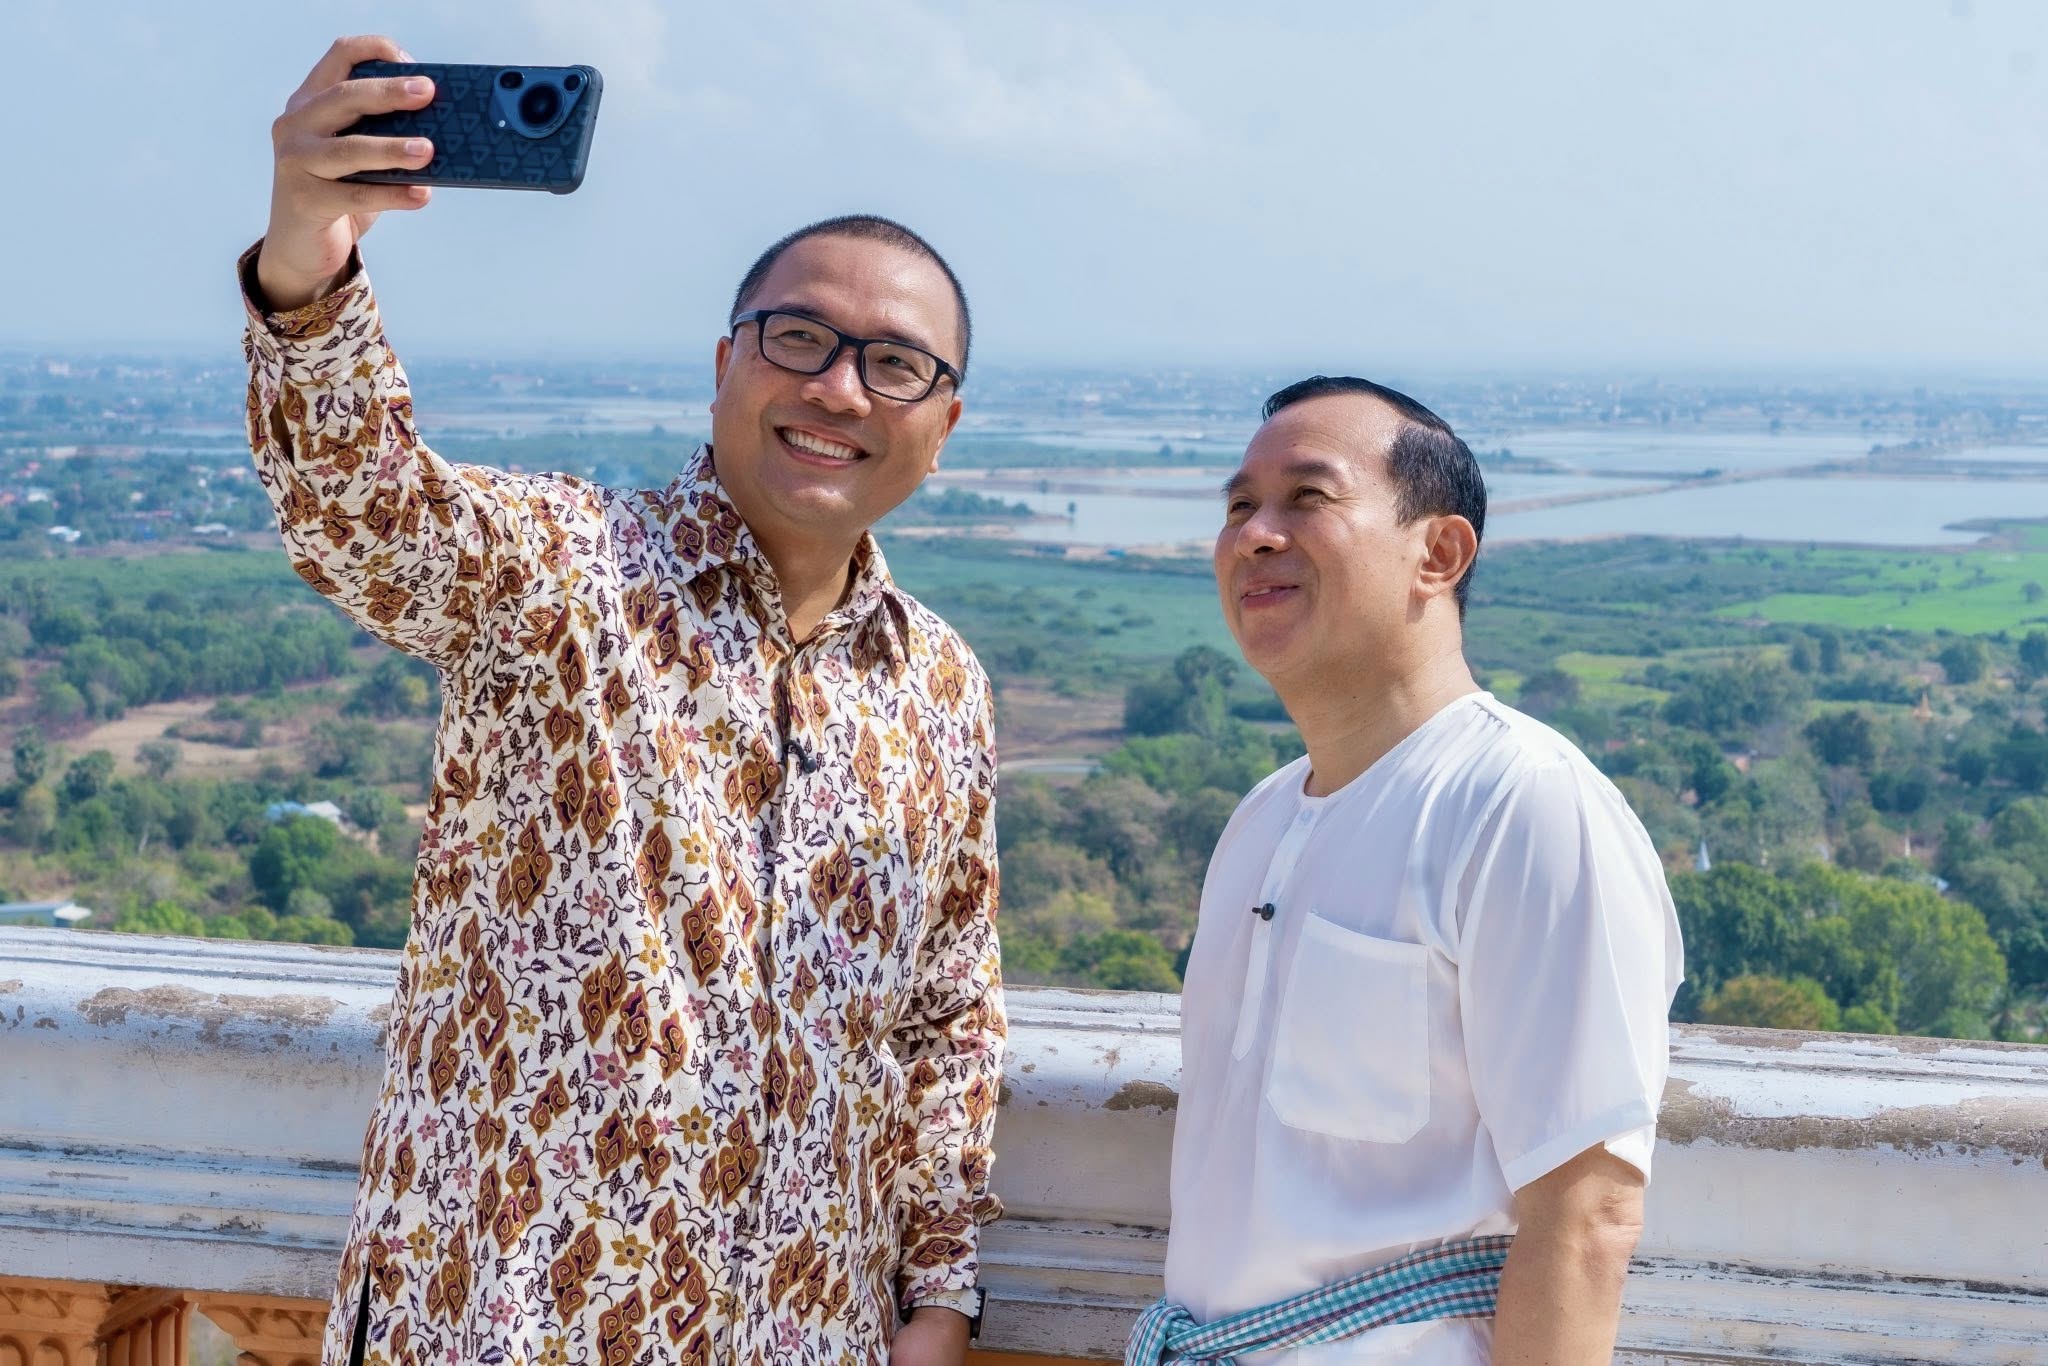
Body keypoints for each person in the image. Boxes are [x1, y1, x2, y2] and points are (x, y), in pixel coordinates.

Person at [244, 36, 1003, 1366]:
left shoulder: (937, 682)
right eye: (801, 338)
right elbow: (358, 508)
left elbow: (947, 1016)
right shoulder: (565, 573)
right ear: (726, 362)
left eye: (895, 364)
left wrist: (936, 1302)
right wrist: (310, 257)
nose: (837, 386)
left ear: (943, 425)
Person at [1133, 377, 1683, 1364]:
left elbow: (1586, 1212)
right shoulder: (1260, 821)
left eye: (1307, 498)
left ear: (1437, 551)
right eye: (1236, 505)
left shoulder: (1521, 805)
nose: (1255, 533)